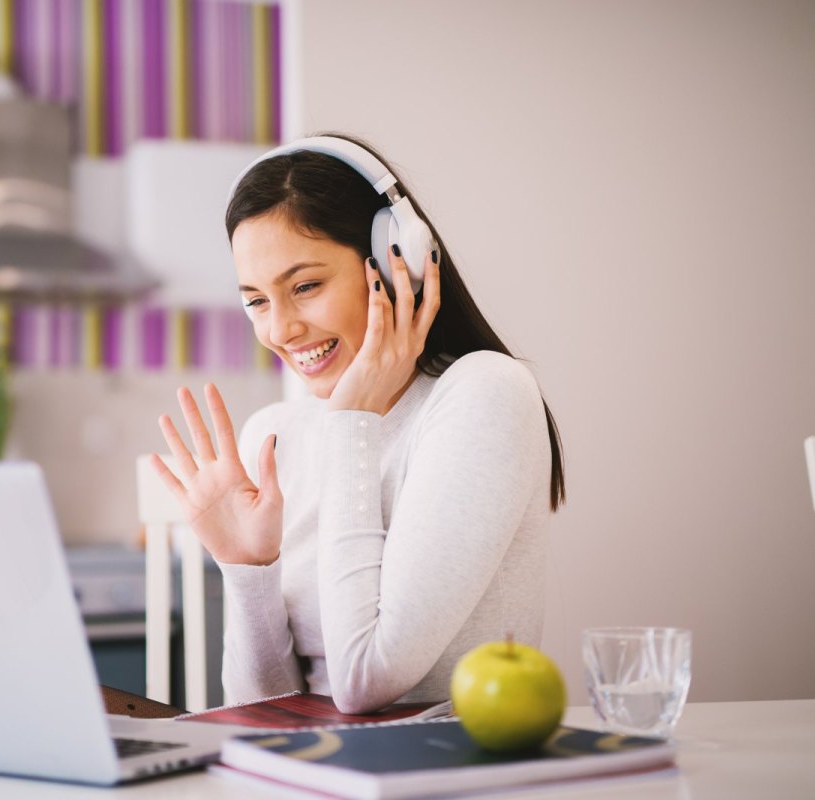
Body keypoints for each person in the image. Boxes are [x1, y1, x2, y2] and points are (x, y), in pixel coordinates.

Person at [151, 133, 565, 714]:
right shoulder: (276, 435)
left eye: (305, 286)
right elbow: (265, 712)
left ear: (398, 263)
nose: (280, 330)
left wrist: (351, 422)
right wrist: (249, 570)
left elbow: (365, 680)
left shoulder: (484, 395)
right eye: (256, 301)